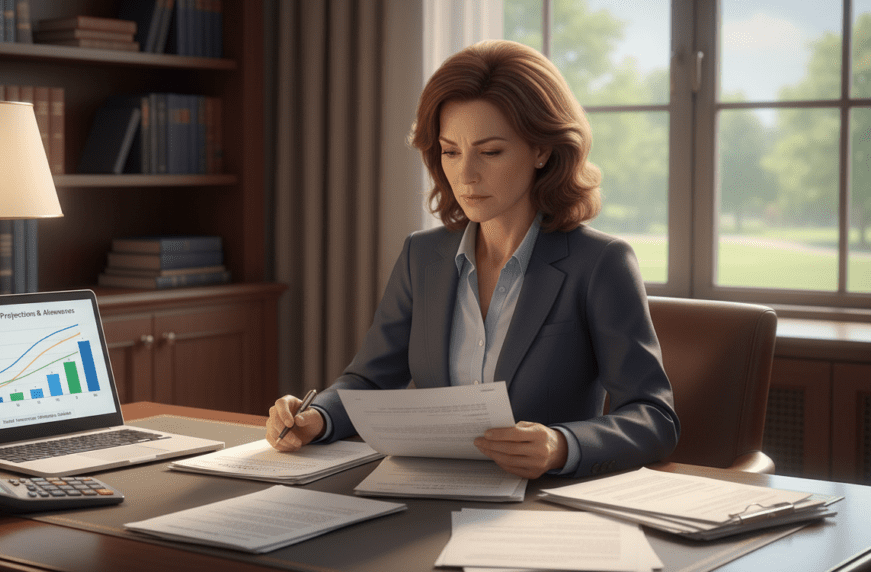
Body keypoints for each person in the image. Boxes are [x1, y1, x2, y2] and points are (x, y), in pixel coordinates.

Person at [266, 39, 680, 479]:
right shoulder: (421, 257)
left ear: (542, 150)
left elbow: (654, 416)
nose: (465, 175)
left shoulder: (600, 263)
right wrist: (317, 417)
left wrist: (561, 445)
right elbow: (369, 380)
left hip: (540, 503)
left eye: (490, 152)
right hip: (427, 493)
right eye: (450, 151)